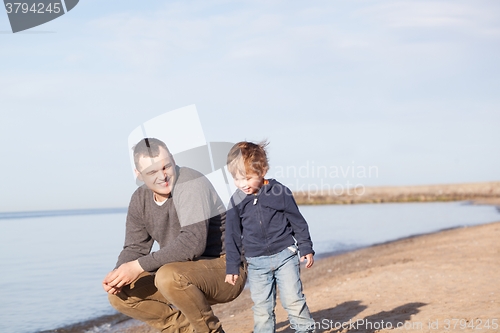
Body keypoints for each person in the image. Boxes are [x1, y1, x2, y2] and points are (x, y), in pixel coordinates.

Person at [102, 138, 247, 333]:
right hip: (182, 271)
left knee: (167, 275)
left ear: (172, 159)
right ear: (138, 174)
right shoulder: (139, 199)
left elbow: (191, 243)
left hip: (226, 270)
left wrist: (136, 266)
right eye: (152, 172)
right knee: (120, 294)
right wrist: (117, 275)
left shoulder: (190, 182)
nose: (162, 176)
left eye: (166, 167)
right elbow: (134, 248)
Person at [224, 141, 316, 333]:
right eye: (237, 179)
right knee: (262, 309)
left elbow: (297, 221)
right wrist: (232, 266)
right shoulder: (235, 201)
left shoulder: (279, 192)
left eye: (248, 178)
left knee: (293, 301)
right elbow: (232, 236)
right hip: (256, 262)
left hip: (285, 255)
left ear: (263, 170)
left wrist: (305, 247)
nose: (243, 185)